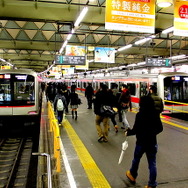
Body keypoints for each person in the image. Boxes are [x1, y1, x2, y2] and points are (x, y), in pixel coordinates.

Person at [125, 96, 163, 188]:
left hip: (141, 142)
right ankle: (152, 184)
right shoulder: (155, 114)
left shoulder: (140, 114)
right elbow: (160, 128)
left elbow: (135, 129)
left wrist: (128, 132)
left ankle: (133, 175)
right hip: (152, 142)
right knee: (152, 163)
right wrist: (152, 133)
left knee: (136, 159)